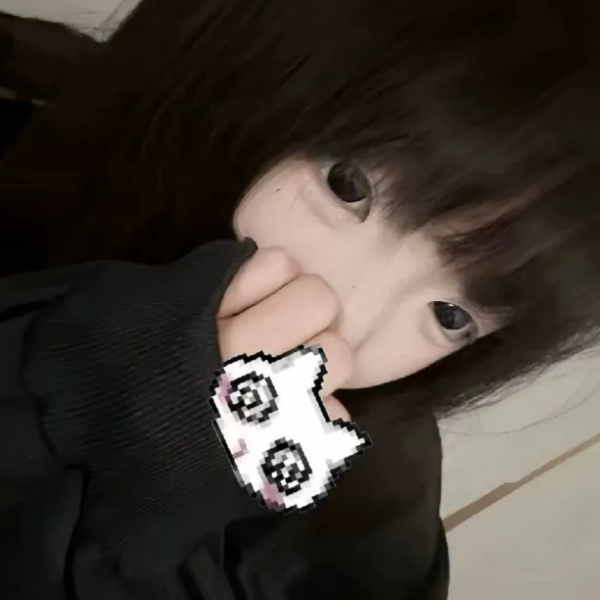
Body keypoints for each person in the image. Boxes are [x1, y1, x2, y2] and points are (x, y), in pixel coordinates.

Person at [2, 0, 600, 598]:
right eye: (349, 188)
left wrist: (142, 495)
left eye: (452, 317)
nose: (343, 324)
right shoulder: (31, 94)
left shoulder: (369, 530)